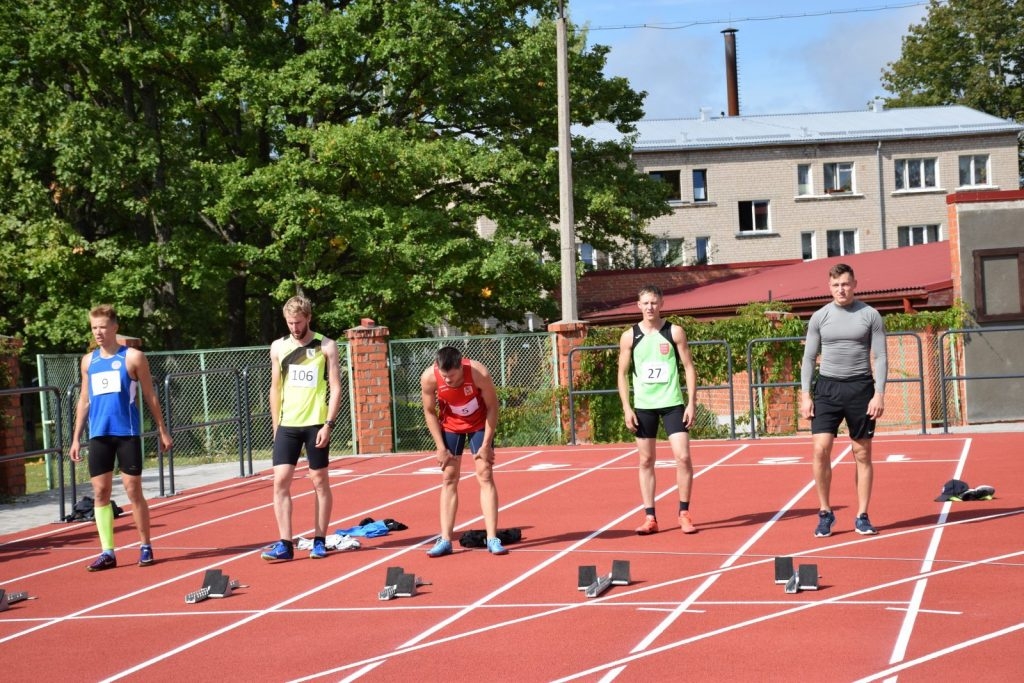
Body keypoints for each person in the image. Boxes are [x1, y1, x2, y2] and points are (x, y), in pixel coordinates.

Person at [68, 305, 173, 571]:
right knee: (100, 492)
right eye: (94, 328)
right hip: (99, 435)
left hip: (126, 434)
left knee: (132, 490)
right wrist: (76, 437)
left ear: (114, 328)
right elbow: (84, 399)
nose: (98, 332)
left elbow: (150, 396)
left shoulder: (133, 357)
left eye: (103, 327)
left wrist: (161, 429)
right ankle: (107, 552)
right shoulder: (88, 361)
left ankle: (145, 544)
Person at [799, 263, 887, 538]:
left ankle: (862, 515)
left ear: (855, 284)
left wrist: (879, 393)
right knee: (820, 449)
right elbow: (808, 358)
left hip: (860, 388)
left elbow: (881, 357)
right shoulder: (820, 317)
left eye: (846, 284)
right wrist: (805, 395)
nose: (841, 289)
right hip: (827, 389)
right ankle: (825, 512)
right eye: (836, 285)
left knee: (861, 453)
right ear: (830, 286)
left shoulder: (870, 315)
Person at [262, 295, 343, 561]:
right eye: (289, 323)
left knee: (319, 481)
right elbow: (275, 388)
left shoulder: (326, 346)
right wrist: (276, 426)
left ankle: (320, 539)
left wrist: (328, 424)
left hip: (316, 423)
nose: (295, 328)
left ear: (308, 318)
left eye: (298, 322)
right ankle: (285, 543)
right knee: (280, 482)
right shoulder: (278, 347)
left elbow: (336, 387)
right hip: (288, 424)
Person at [617, 284, 699, 535]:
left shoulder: (674, 332)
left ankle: (684, 513)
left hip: (672, 403)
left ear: (661, 303)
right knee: (646, 460)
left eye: (654, 302)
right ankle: (650, 516)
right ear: (638, 305)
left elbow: (688, 367)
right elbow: (621, 373)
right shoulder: (629, 336)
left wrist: (692, 401)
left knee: (683, 456)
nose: (650, 307)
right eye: (645, 303)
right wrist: (626, 407)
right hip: (644, 406)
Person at [419, 346, 507, 557]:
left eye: (452, 375)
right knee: (449, 477)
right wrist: (440, 447)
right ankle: (446, 539)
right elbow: (429, 411)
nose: (448, 380)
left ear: (461, 366)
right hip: (450, 425)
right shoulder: (429, 378)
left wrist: (486, 444)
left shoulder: (478, 373)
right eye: (444, 376)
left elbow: (493, 407)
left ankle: (492, 538)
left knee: (485, 473)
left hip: (478, 423)